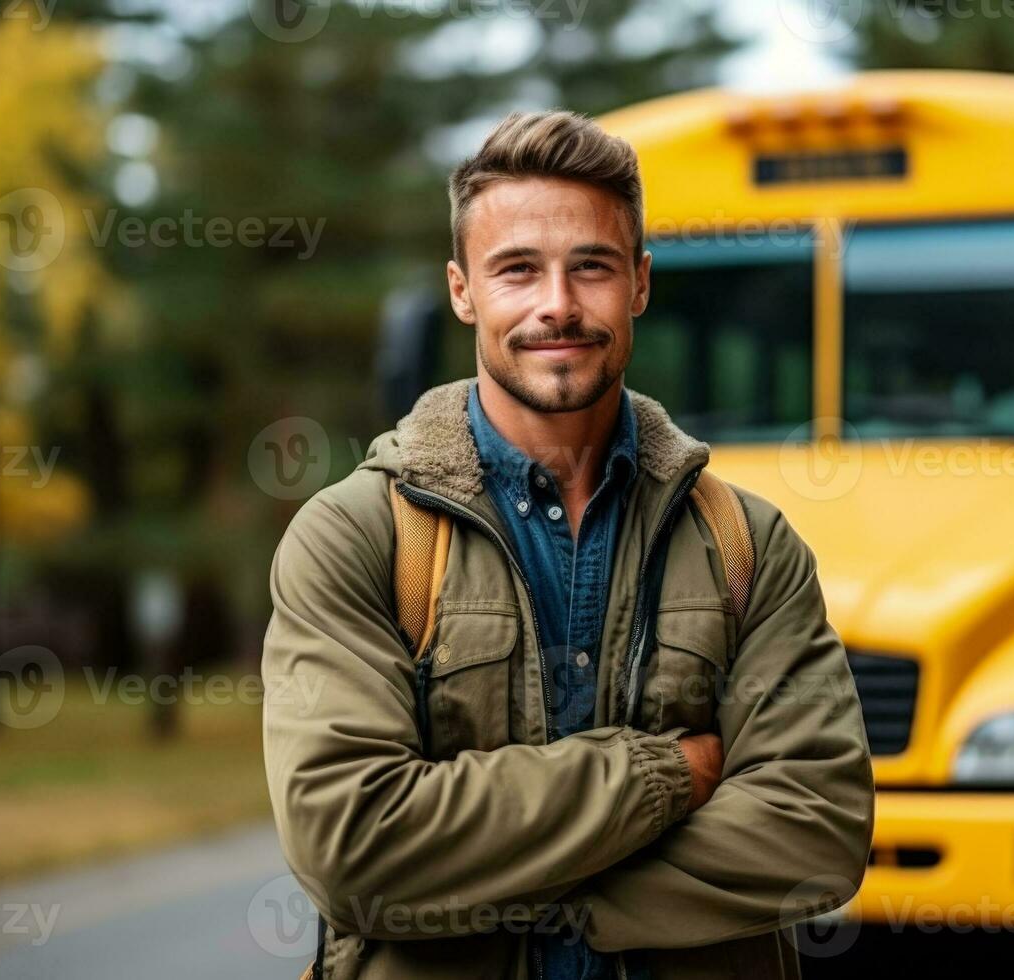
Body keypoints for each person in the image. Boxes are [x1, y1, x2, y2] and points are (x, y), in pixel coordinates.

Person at [262, 109, 874, 980]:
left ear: (640, 285)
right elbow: (353, 849)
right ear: (462, 290)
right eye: (517, 270)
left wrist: (507, 884)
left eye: (591, 266)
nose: (557, 304)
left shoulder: (748, 543)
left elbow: (816, 831)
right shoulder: (356, 537)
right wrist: (668, 777)